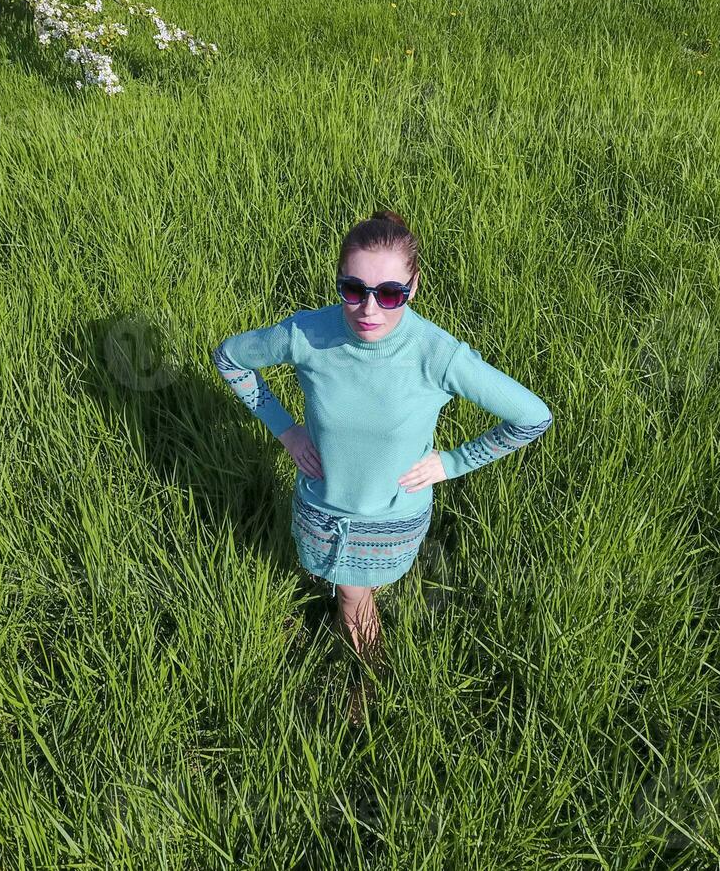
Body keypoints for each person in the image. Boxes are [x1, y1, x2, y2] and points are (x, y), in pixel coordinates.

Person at [210, 209, 553, 680]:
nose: (369, 310)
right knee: (349, 588)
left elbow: (532, 416)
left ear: (412, 288)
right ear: (338, 281)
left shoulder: (438, 355)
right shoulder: (307, 334)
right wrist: (286, 430)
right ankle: (356, 636)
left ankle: (368, 683)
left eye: (390, 294)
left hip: (391, 516)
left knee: (351, 593)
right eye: (354, 290)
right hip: (320, 504)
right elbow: (230, 359)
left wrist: (454, 462)